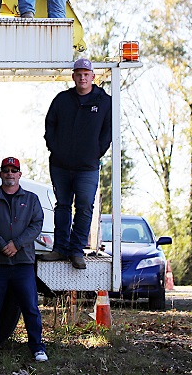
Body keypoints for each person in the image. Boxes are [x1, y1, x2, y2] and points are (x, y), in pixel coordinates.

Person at [40, 58, 111, 269]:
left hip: (87, 167)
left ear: (93, 77)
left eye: (86, 74)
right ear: (73, 76)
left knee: (84, 207)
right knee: (62, 206)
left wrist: (95, 153)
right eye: (78, 74)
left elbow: (108, 132)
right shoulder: (62, 100)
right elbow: (49, 125)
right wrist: (55, 148)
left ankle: (76, 250)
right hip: (60, 165)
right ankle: (60, 248)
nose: (82, 78)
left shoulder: (104, 101)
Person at [0, 157, 48, 363]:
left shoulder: (31, 199)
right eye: (6, 170)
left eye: (13, 170)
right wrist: (1, 245)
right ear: (0, 174)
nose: (9, 174)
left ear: (19, 174)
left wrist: (17, 243)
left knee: (31, 308)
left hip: (23, 263)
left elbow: (36, 224)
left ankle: (37, 347)